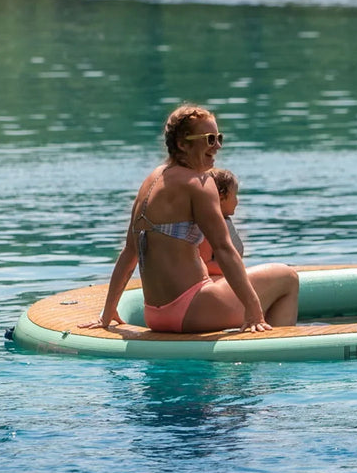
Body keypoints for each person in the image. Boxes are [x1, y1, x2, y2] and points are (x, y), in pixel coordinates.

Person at [87, 105, 299, 333]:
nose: (217, 146)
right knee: (287, 277)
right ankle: (273, 350)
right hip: (193, 310)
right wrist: (253, 310)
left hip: (156, 315)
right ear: (182, 144)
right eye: (209, 139)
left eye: (219, 138)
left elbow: (130, 252)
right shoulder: (199, 183)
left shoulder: (150, 180)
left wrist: (108, 312)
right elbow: (224, 249)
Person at [199, 168, 244, 277]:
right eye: (235, 195)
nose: (237, 201)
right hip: (216, 282)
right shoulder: (209, 226)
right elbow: (206, 264)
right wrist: (239, 272)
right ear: (221, 198)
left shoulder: (221, 221)